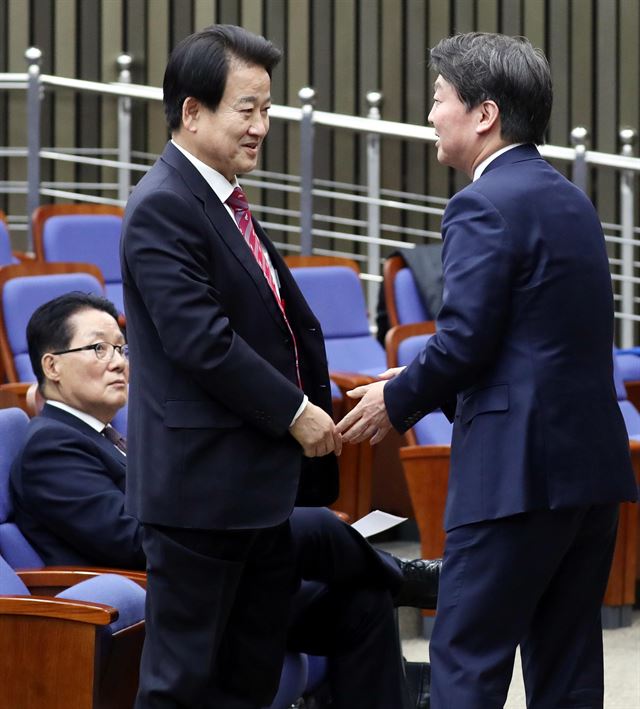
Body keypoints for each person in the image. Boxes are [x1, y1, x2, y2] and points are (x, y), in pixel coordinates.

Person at [117, 23, 420, 708]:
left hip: (255, 494)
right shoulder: (164, 204)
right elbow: (203, 341)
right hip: (199, 501)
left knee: (244, 683)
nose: (262, 126)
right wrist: (294, 411)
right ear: (192, 112)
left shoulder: (221, 199)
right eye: (246, 109)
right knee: (181, 686)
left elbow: (279, 326)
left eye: (267, 108)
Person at [337, 32, 639, 709]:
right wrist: (409, 384)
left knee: (467, 663)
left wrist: (399, 399)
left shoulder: (480, 202)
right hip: (588, 473)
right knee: (567, 672)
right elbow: (529, 343)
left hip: (512, 476)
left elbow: (466, 341)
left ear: (485, 114)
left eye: (440, 99)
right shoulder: (571, 201)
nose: (431, 116)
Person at [11, 292, 439, 709]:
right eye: (98, 349)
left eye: (122, 347)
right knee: (312, 525)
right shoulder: (52, 446)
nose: (119, 361)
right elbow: (129, 539)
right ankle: (411, 580)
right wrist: (225, 520)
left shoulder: (111, 436)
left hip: (214, 578)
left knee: (361, 602)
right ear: (53, 366)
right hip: (172, 593)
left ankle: (402, 605)